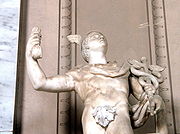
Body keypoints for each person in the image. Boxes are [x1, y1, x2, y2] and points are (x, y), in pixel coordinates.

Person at [26, 27, 168, 134]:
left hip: (121, 115)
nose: (99, 37)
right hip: (92, 118)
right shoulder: (78, 74)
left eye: (101, 36)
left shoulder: (124, 71)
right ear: (85, 48)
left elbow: (146, 98)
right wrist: (30, 57)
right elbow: (41, 83)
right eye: (94, 36)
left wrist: (153, 96)